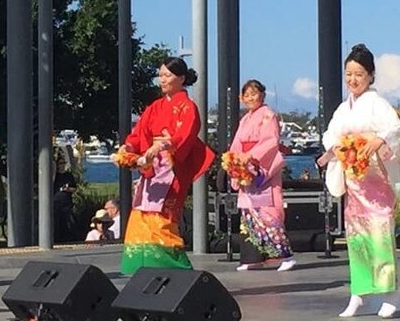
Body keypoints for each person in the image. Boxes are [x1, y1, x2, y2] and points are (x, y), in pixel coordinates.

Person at [317, 44, 400, 318]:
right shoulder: (345, 108)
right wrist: (339, 147)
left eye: (359, 74)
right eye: (349, 74)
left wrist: (378, 139)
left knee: (380, 235)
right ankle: (358, 292)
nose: (353, 80)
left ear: (370, 75)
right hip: (355, 184)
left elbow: (396, 130)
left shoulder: (377, 104)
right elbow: (330, 135)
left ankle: (390, 293)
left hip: (376, 181)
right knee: (356, 237)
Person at [117, 56, 215, 275]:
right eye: (160, 75)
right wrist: (128, 147)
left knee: (163, 219)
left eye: (167, 75)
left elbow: (184, 136)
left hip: (171, 167)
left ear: (181, 78)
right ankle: (144, 269)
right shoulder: (154, 107)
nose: (162, 80)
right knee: (141, 216)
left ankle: (178, 270)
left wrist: (161, 147)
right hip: (151, 169)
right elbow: (139, 133)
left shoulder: (187, 107)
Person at [229, 79, 296, 272]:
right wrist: (235, 161)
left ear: (262, 95)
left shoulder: (268, 115)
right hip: (245, 166)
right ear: (241, 98)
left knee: (267, 212)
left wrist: (251, 156)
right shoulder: (245, 119)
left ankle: (285, 255)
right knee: (249, 213)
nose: (250, 97)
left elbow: (270, 141)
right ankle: (253, 257)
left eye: (254, 93)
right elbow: (236, 144)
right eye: (247, 94)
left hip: (262, 168)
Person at [53, 156, 77, 242]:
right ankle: (57, 239)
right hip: (56, 202)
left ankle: (70, 239)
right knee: (57, 222)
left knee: (69, 221)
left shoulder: (68, 175)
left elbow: (74, 188)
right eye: (60, 163)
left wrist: (68, 189)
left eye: (64, 163)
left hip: (66, 202)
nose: (62, 165)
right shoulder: (54, 176)